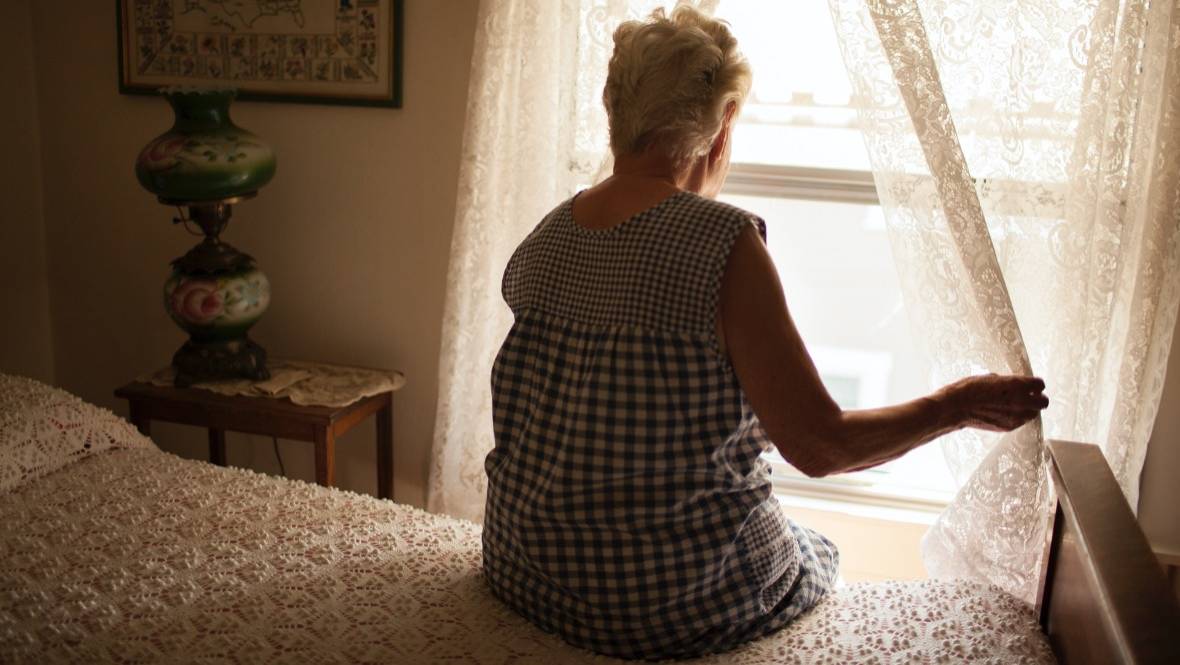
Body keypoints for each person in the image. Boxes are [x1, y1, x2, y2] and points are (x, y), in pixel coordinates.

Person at [481, 5, 1048, 661]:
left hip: (522, 567)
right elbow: (821, 445)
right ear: (722, 127)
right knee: (818, 554)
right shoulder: (722, 241)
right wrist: (957, 404)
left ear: (615, 113)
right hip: (655, 605)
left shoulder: (547, 236)